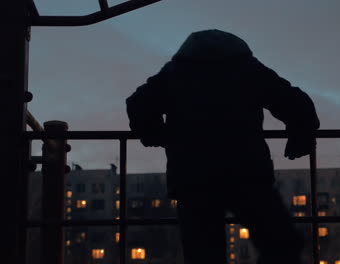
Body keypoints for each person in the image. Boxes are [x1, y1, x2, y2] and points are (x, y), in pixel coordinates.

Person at [126, 29, 320, 264]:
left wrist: (159, 135)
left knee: (204, 254)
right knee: (281, 243)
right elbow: (294, 102)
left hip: (193, 177)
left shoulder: (176, 72)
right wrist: (301, 137)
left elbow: (139, 104)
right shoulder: (246, 68)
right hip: (246, 171)